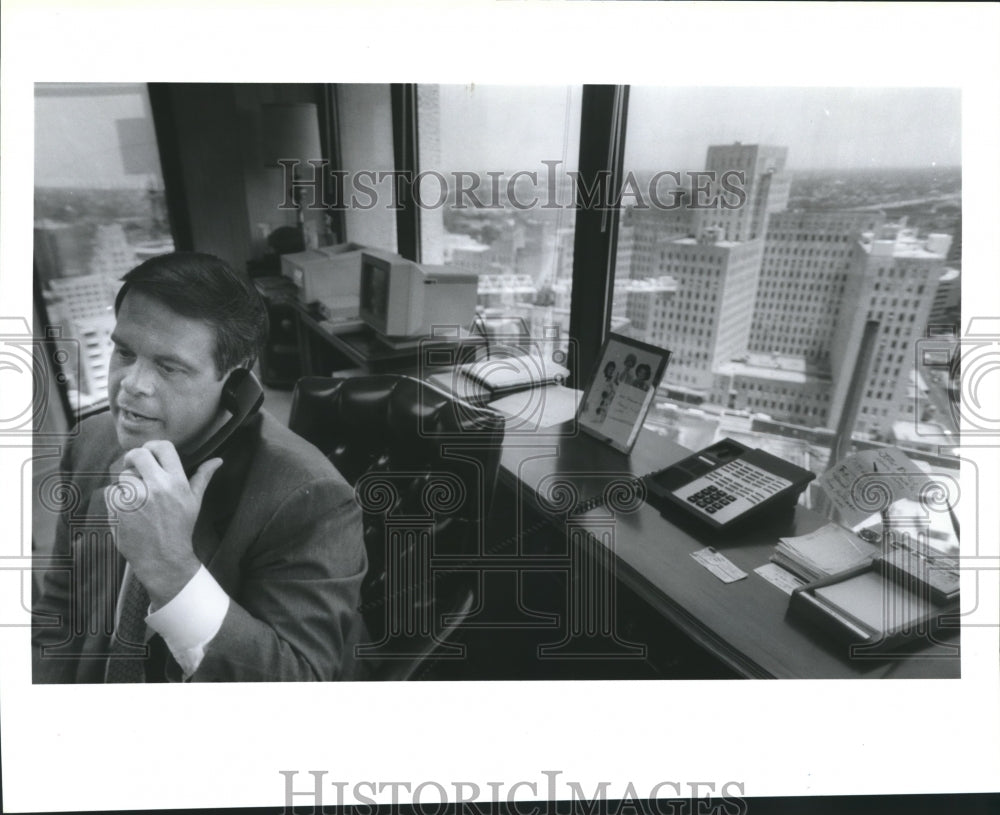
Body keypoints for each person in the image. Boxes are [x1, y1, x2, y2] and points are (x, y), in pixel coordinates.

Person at [32, 252, 367, 682]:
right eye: (125, 352)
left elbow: (297, 685)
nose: (132, 384)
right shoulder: (90, 442)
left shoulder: (311, 499)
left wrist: (172, 569)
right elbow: (58, 612)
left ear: (236, 380)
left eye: (169, 367)